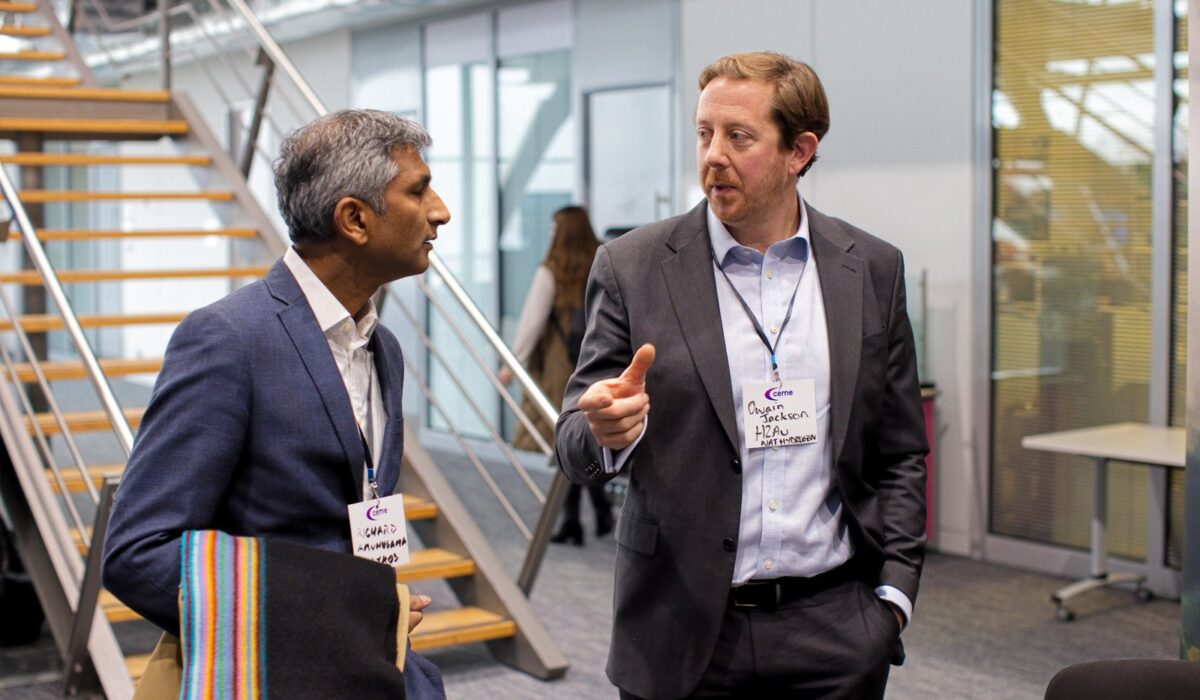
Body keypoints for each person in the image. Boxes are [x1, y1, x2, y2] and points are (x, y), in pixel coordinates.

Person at [555, 52, 927, 699]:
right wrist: (606, 432)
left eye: (739, 136)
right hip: (680, 626)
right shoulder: (634, 266)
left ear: (799, 151)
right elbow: (573, 444)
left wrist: (893, 595)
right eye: (704, 134)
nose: (713, 155)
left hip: (835, 630)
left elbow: (900, 449)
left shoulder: (870, 267)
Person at [102, 109, 451, 698]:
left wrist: (371, 612)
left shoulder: (380, 345)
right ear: (354, 219)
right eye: (419, 190)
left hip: (373, 671)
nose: (440, 209)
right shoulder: (229, 340)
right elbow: (138, 552)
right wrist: (333, 624)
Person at [498, 206, 612, 546]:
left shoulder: (551, 271)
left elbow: (531, 322)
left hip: (561, 368)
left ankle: (577, 520)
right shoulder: (602, 261)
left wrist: (512, 363)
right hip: (598, 362)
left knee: (567, 441)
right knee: (585, 440)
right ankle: (589, 513)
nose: (549, 235)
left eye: (553, 229)